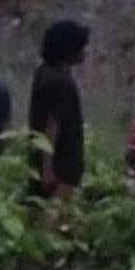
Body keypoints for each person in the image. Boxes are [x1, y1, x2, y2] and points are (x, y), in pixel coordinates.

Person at [29, 19, 90, 199]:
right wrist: (48, 169)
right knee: (56, 214)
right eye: (81, 47)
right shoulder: (61, 81)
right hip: (61, 169)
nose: (84, 52)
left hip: (42, 163)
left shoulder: (44, 72)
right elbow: (52, 125)